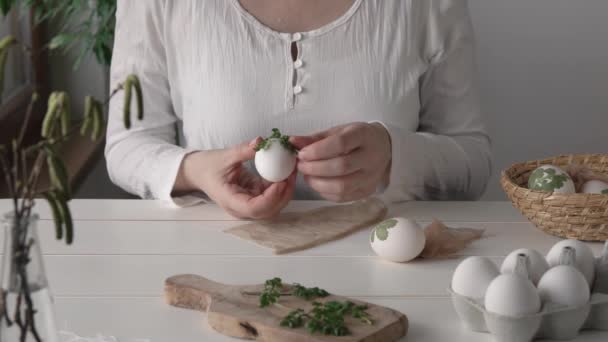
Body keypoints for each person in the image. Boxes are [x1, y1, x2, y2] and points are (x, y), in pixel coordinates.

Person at [105, 0, 492, 219]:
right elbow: (127, 145)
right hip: (220, 266)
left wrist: (394, 154)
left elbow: (472, 162)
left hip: (389, 268)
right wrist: (198, 170)